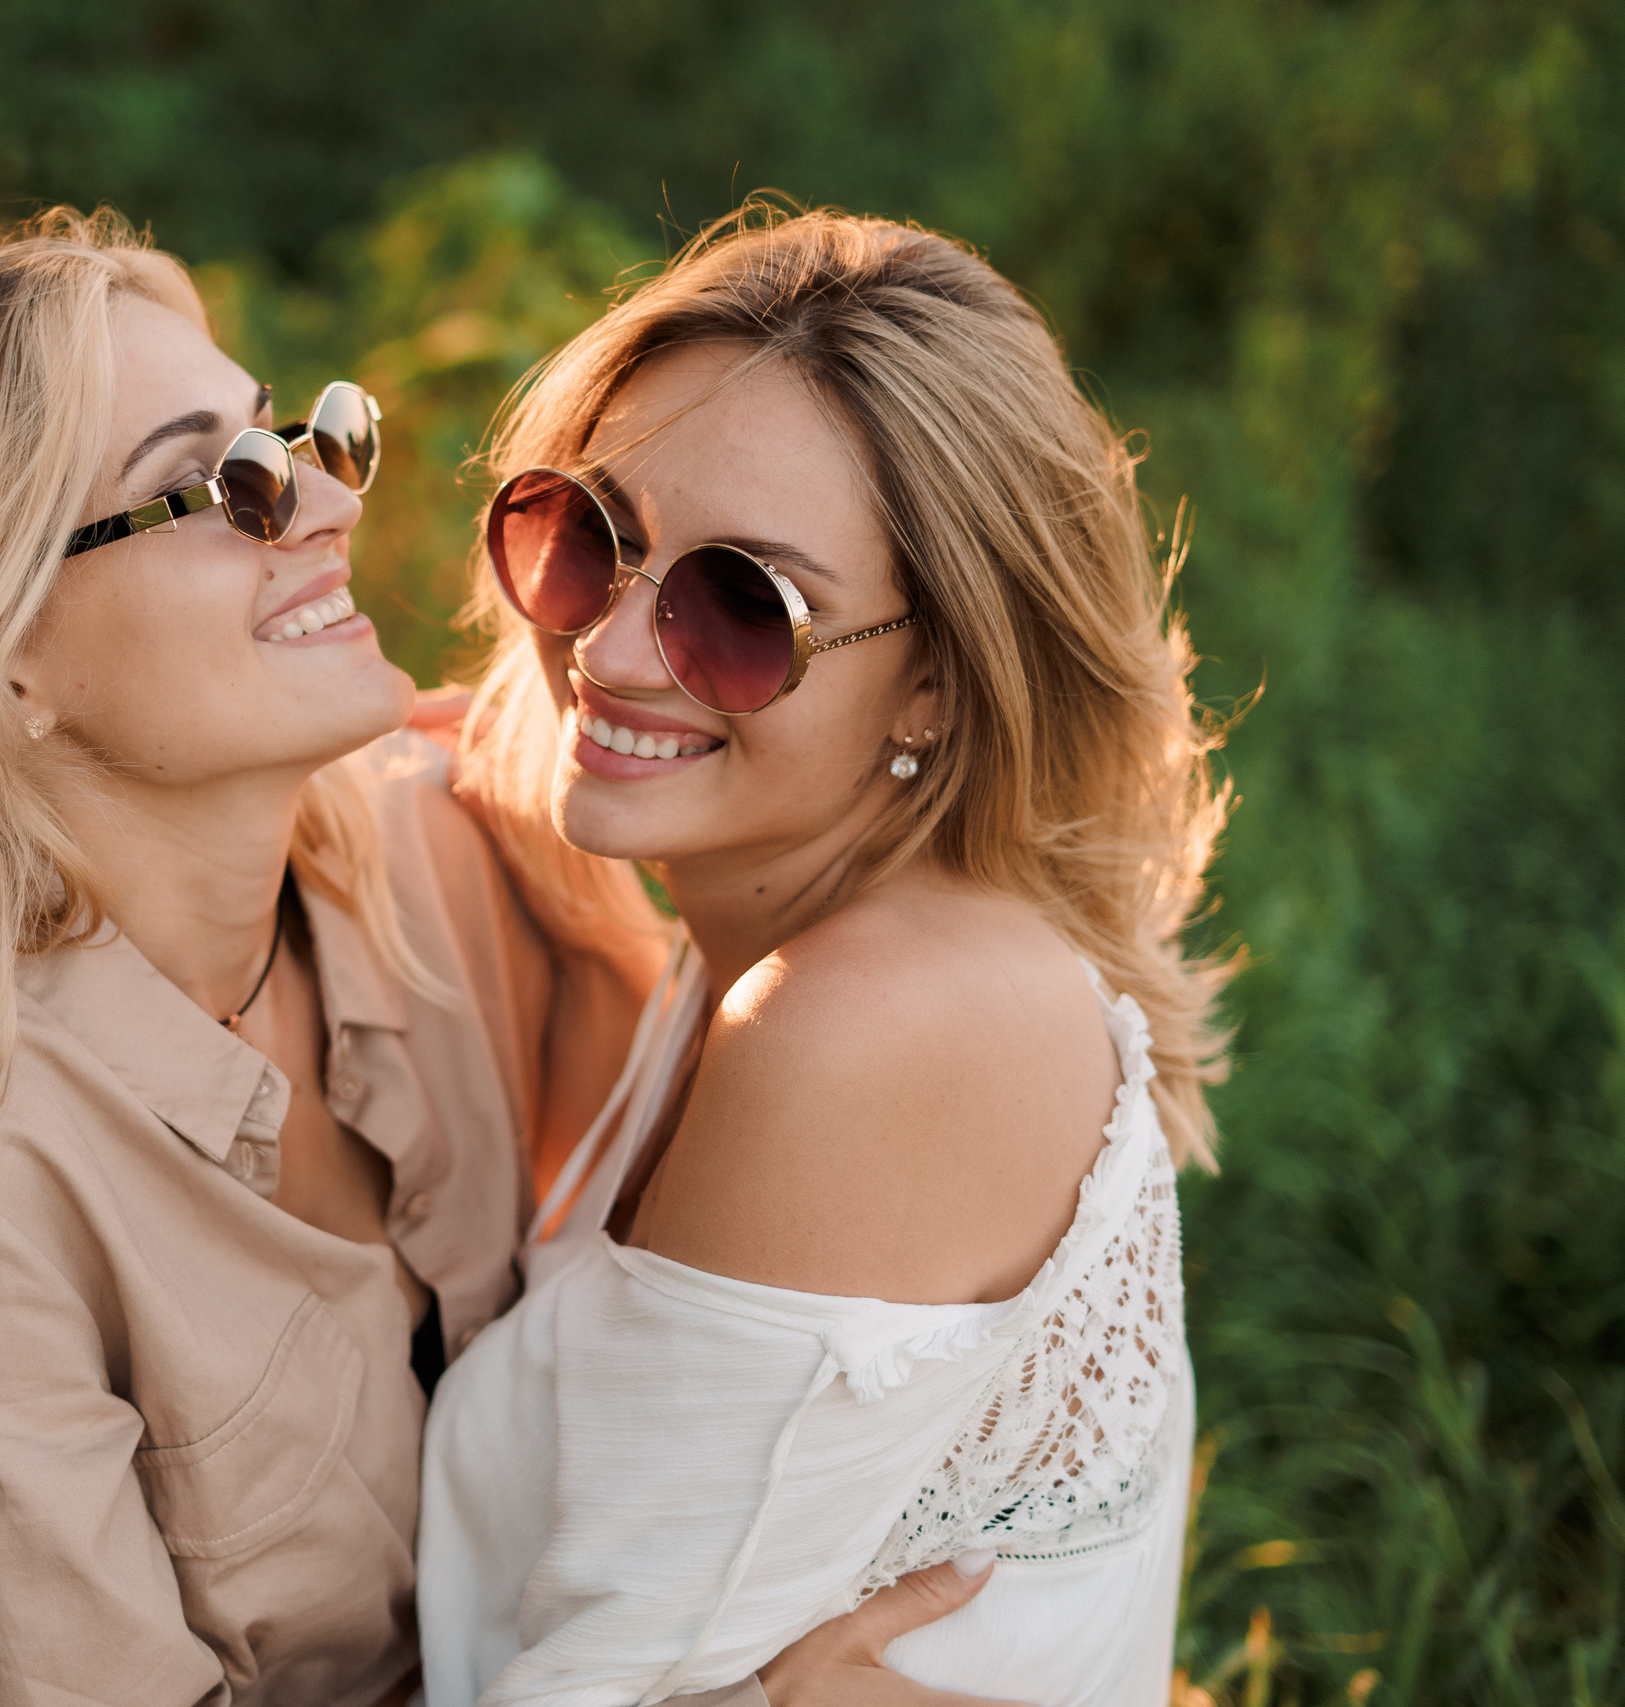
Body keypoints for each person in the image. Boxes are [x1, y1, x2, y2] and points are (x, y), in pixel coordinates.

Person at [0, 209, 1004, 1707]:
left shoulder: (443, 852)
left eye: (297, 439)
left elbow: (731, 1307)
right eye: (215, 485)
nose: (323, 508)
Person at [420, 207, 1233, 1707]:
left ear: (933, 681)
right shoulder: (784, 925)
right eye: (589, 535)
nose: (605, 650)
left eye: (744, 609)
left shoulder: (858, 1021)